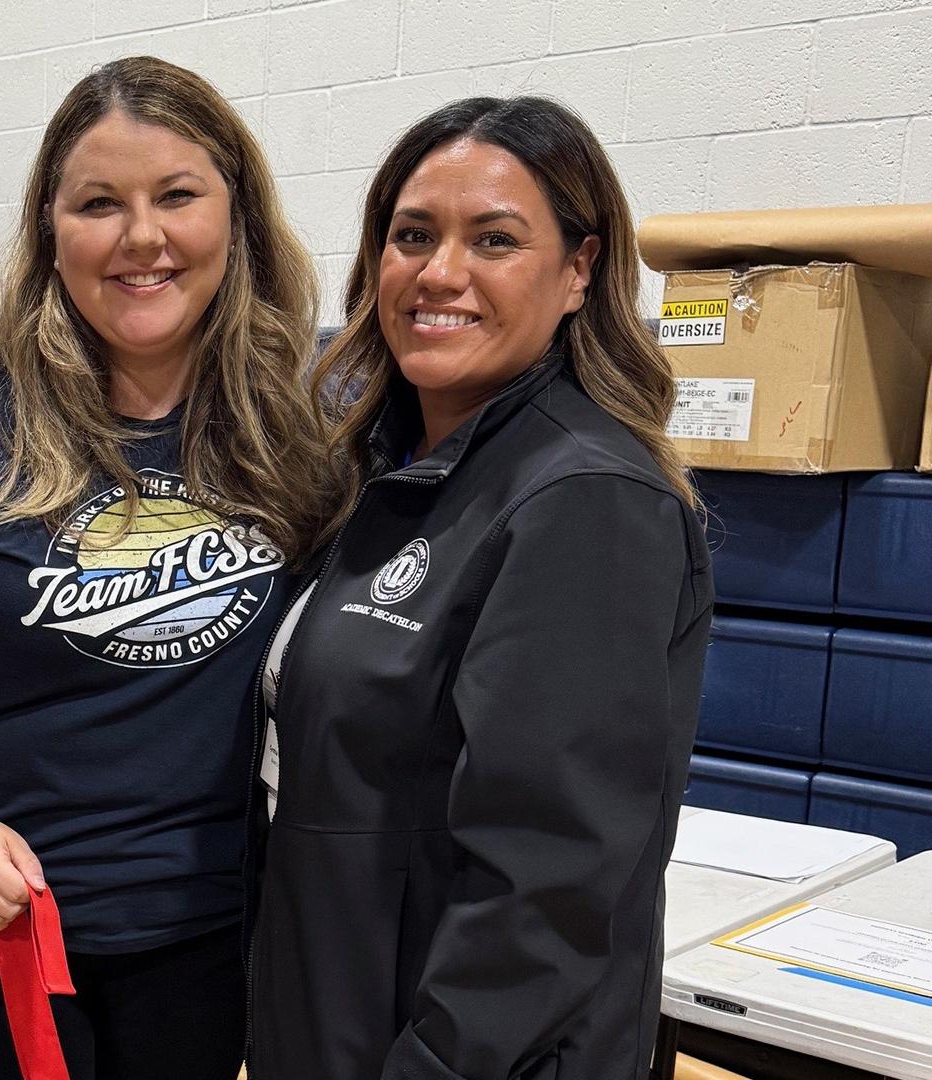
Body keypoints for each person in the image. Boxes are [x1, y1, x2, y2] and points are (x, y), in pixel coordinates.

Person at [0, 56, 334, 1080]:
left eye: (177, 195)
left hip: (203, 926)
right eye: (100, 204)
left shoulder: (298, 424)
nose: (143, 237)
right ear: (52, 230)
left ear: (237, 216)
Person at [249, 96, 714, 1079]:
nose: (441, 272)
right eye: (412, 235)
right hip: (338, 1015)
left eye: (494, 239)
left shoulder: (587, 497)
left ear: (580, 269)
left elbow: (547, 882)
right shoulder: (384, 468)